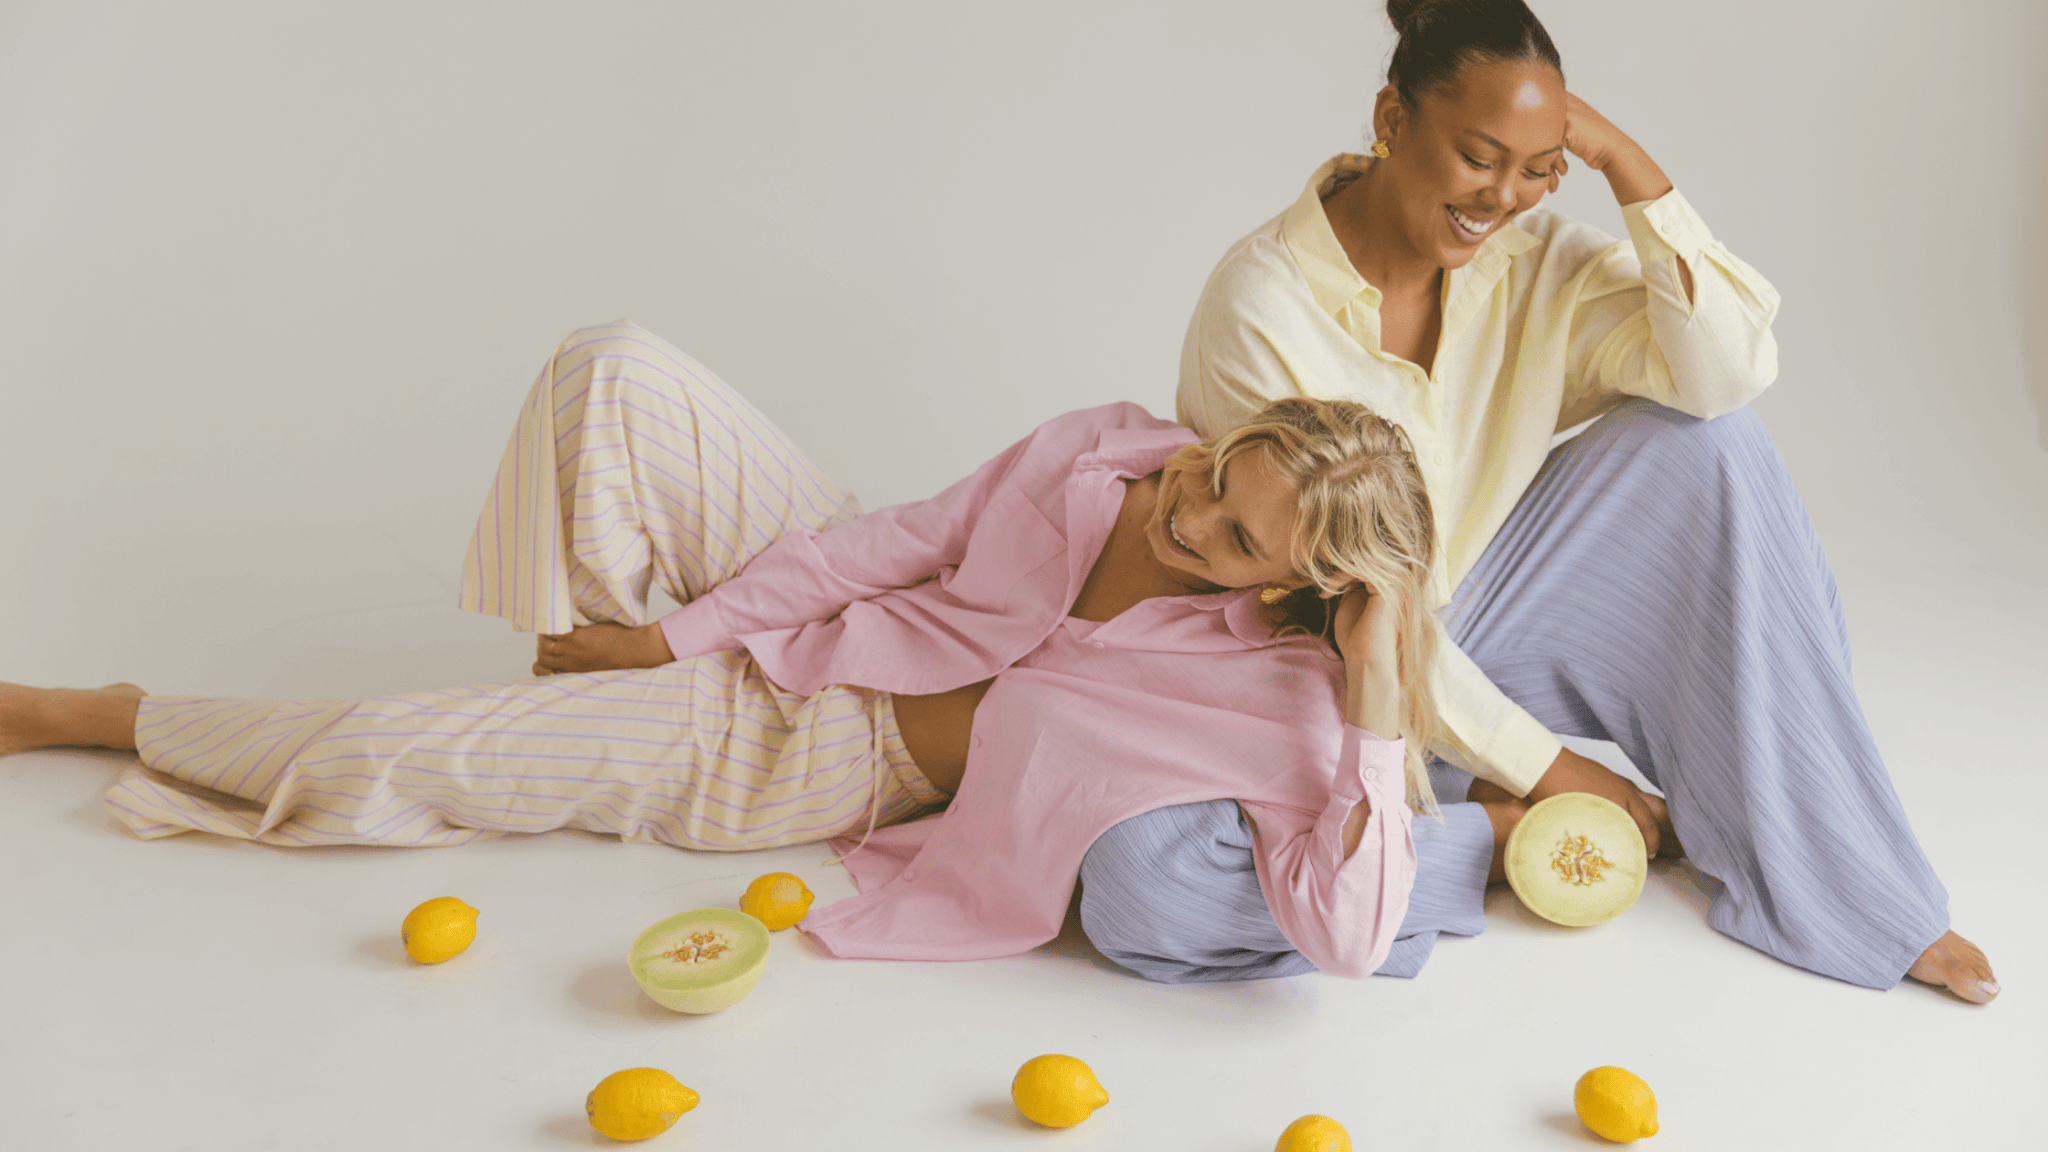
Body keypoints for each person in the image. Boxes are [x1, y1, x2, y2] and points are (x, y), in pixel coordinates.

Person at [0, 319, 1527, 978]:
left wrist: (1389, 705)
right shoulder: (1123, 450)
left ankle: (112, 712)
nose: (1187, 513)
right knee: (619, 373)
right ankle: (591, 656)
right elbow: (905, 537)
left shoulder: (1289, 695)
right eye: (1214, 472)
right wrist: (672, 628)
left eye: (1235, 537)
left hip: (816, 751)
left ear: (1298, 589)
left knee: (416, 756)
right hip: (832, 603)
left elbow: (1340, 934)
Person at [1082, 0, 2000, 1003]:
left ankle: (1842, 875)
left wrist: (1625, 164)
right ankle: (1483, 841)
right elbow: (1335, 608)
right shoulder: (1261, 305)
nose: (1502, 198)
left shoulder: (1539, 264)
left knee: (1707, 445)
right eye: (1479, 156)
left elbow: (1724, 372)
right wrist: (1548, 772)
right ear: (1390, 118)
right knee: (1146, 883)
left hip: (1477, 615)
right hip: (1312, 664)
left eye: (1537, 167)